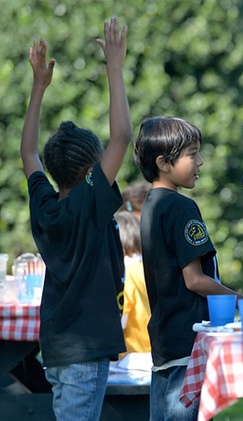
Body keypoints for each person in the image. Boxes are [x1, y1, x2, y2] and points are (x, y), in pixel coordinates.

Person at [20, 17, 131, 421]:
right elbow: (121, 137)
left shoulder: (45, 205)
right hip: (84, 352)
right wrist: (114, 67)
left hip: (59, 348)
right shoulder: (89, 200)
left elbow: (29, 154)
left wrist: (38, 87)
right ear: (91, 167)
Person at [133, 116, 243, 420]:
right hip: (188, 340)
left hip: (165, 341)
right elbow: (195, 280)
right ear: (164, 162)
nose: (200, 161)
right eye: (192, 153)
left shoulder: (150, 205)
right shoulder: (181, 206)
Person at [114, 210, 151, 356]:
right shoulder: (149, 268)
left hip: (131, 356)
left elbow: (119, 323)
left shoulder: (125, 274)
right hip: (153, 351)